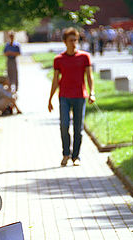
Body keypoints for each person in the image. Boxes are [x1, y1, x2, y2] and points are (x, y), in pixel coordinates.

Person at [48, 27, 95, 167]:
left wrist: (92, 93)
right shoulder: (58, 59)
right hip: (64, 96)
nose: (74, 43)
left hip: (80, 96)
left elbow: (89, 76)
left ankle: (76, 156)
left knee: (78, 128)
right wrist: (50, 99)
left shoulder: (84, 57)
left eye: (75, 40)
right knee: (64, 125)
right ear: (64, 42)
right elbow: (55, 80)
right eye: (71, 40)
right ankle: (65, 154)